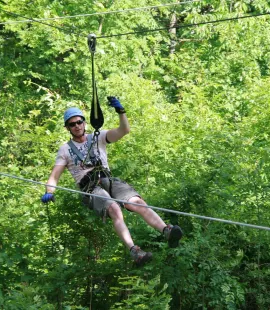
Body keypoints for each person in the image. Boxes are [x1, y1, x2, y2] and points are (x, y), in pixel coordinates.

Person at [41, 97, 183, 266]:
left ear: (84, 122)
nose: (77, 126)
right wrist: (49, 192)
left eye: (79, 122)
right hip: (90, 187)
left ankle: (166, 230)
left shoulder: (98, 136)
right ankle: (134, 251)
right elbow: (54, 176)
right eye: (72, 124)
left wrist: (121, 112)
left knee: (136, 202)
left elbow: (124, 130)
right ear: (67, 128)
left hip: (108, 179)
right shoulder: (65, 150)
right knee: (115, 209)